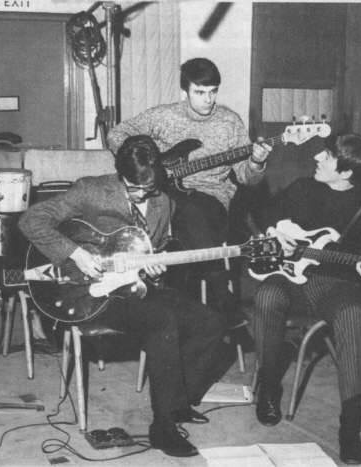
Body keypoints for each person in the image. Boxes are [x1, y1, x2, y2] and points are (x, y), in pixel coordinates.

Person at [18, 135, 224, 458]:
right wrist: (75, 253)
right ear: (120, 174)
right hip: (90, 293)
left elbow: (154, 252)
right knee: (162, 321)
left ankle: (178, 401)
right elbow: (31, 220)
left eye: (149, 188)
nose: (142, 195)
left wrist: (155, 267)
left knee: (211, 323)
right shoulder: (91, 190)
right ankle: (163, 427)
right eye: (134, 188)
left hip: (134, 287)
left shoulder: (163, 202)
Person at [252, 133, 361, 464]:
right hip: (289, 278)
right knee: (266, 296)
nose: (318, 157)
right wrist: (274, 233)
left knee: (352, 315)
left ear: (347, 172)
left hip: (335, 284)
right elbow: (262, 216)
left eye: (328, 156)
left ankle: (350, 428)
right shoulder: (302, 188)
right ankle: (269, 388)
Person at [107, 57, 271, 326]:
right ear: (185, 91)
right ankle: (204, 304)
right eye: (200, 92)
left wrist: (256, 162)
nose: (208, 99)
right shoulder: (165, 116)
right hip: (162, 193)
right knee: (175, 217)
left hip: (211, 197)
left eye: (213, 92)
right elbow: (117, 133)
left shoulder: (229, 121)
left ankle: (209, 301)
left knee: (192, 213)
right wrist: (142, 162)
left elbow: (246, 177)